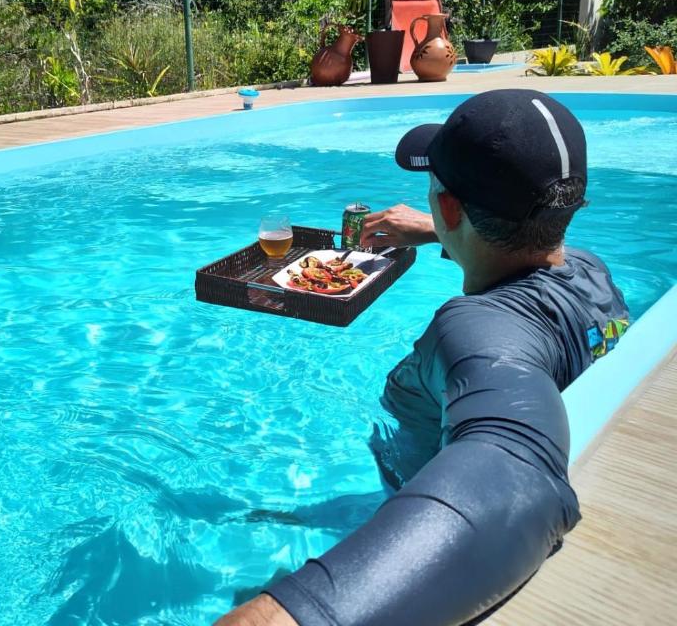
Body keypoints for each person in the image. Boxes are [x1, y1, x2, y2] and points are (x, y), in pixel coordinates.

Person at [215, 89, 629, 626]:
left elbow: (517, 482)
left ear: (451, 205)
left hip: (411, 516)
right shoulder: (589, 269)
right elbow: (528, 240)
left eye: (435, 191)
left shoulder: (480, 328)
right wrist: (443, 229)